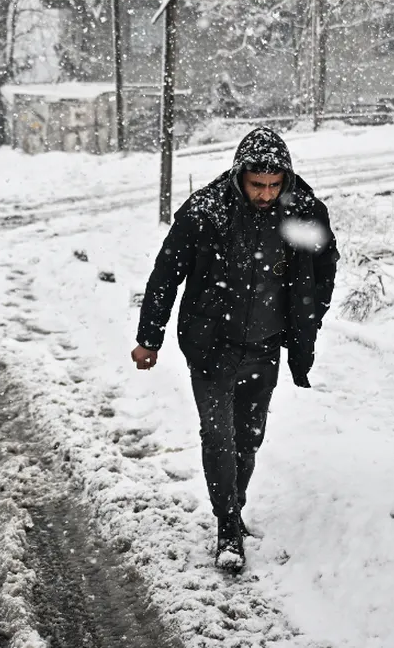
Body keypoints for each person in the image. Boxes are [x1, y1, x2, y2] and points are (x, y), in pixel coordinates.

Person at [131, 127, 338, 572]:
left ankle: (234, 505)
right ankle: (227, 525)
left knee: (249, 437)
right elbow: (166, 273)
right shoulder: (207, 211)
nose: (265, 194)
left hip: (265, 346)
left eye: (274, 185)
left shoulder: (303, 210)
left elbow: (324, 268)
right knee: (218, 436)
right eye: (256, 184)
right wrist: (149, 337)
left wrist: (308, 320)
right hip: (211, 346)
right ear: (239, 176)